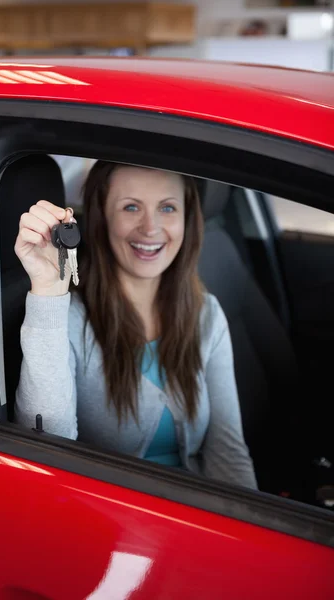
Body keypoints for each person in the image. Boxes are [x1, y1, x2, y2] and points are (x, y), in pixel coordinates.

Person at [14, 161, 257, 490]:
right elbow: (45, 448)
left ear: (188, 219)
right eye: (130, 207)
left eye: (167, 208)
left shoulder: (206, 314)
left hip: (202, 519)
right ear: (102, 219)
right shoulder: (68, 319)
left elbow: (228, 454)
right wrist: (47, 289)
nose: (150, 228)